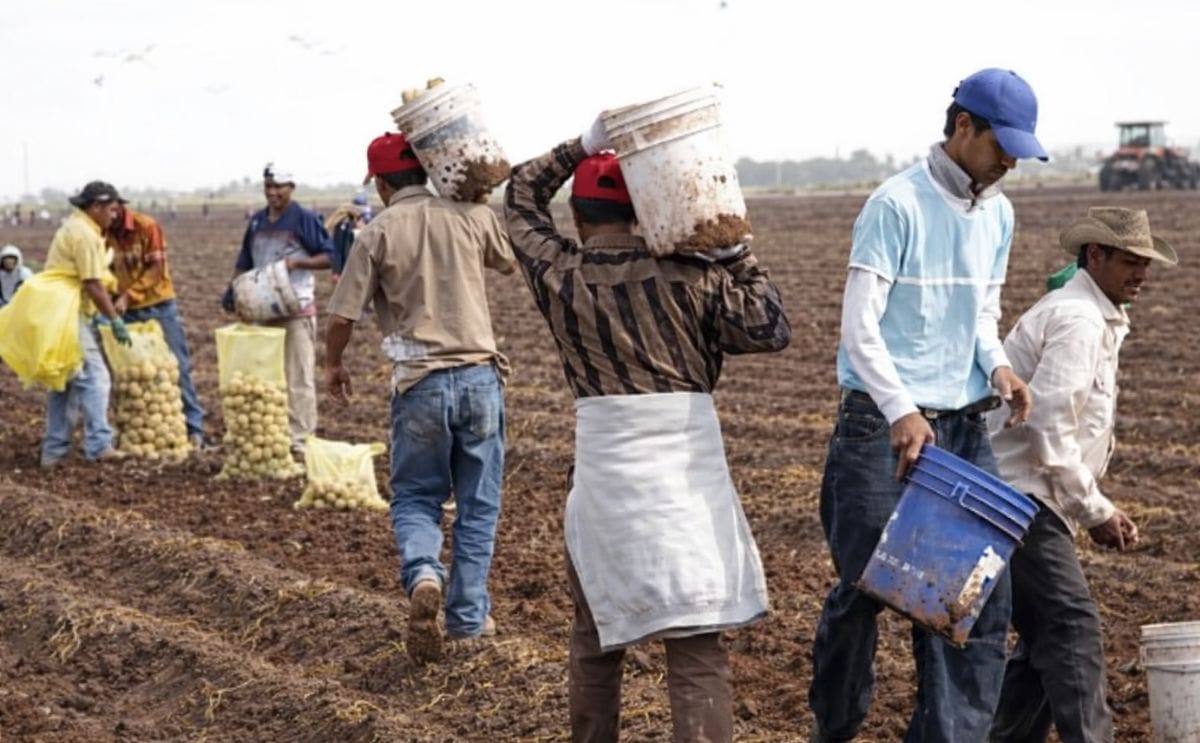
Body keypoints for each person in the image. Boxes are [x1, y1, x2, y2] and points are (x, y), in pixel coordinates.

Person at [503, 119, 791, 742]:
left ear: (578, 219)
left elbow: (521, 197)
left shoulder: (561, 276)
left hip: (606, 480)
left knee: (597, 636)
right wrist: (734, 249)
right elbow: (771, 328)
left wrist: (579, 146)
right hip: (687, 484)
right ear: (643, 211)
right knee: (696, 647)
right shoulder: (696, 279)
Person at [809, 68, 1047, 743]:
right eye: (1004, 145)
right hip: (880, 430)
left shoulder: (998, 213)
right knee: (865, 592)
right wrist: (900, 409)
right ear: (963, 126)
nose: (1010, 163)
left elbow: (981, 312)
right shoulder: (895, 204)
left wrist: (998, 366)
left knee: (970, 603)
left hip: (961, 430)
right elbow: (859, 325)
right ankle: (834, 724)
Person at [987, 208, 1177, 743]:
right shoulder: (1078, 319)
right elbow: (1047, 423)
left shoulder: (1093, 314)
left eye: (1146, 263)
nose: (1141, 274)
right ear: (1094, 256)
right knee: (1071, 627)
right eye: (1129, 262)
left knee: (1046, 646)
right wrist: (1096, 509)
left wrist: (1087, 505)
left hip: (1028, 494)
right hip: (1020, 498)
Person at [325, 132, 515, 663]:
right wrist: (476, 203)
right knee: (478, 506)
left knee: (415, 497)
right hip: (480, 378)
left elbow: (342, 316)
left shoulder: (376, 232)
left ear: (382, 184)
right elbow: (508, 262)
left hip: (420, 383)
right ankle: (469, 621)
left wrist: (333, 364)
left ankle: (425, 573)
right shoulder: (470, 215)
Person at [228, 162, 332, 454]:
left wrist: (298, 263)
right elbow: (245, 259)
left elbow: (329, 256)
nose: (273, 193)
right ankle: (273, 436)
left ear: (291, 188)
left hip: (295, 310)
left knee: (298, 378)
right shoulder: (258, 221)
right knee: (267, 380)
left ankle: (300, 441)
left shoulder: (303, 218)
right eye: (268, 187)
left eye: (279, 187)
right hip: (263, 310)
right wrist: (232, 290)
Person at [41, 181, 133, 467]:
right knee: (96, 377)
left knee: (65, 383)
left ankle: (54, 452)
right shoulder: (83, 234)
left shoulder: (78, 227)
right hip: (69, 314)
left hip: (59, 311)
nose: (115, 216)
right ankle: (100, 445)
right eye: (112, 210)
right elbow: (92, 283)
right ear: (95, 207)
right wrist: (115, 320)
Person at [107, 201, 209, 448]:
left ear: (119, 208)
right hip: (126, 311)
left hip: (158, 306)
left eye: (110, 211)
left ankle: (194, 429)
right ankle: (137, 431)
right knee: (130, 373)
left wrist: (128, 295)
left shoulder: (146, 226)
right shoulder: (103, 232)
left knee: (177, 365)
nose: (107, 217)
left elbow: (156, 269)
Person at [324, 201, 367, 282]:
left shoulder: (343, 226)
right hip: (352, 268)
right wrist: (337, 271)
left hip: (350, 268)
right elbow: (340, 249)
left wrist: (336, 271)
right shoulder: (345, 226)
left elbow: (338, 249)